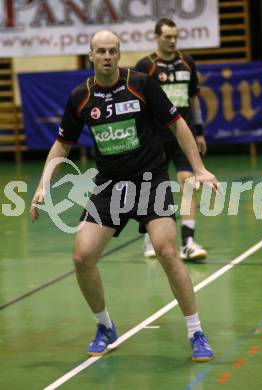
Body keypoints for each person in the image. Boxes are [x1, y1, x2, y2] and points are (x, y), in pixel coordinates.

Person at [30, 30, 217, 362]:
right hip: (109, 185)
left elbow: (178, 124)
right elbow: (62, 144)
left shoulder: (142, 84)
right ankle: (104, 326)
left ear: (119, 54)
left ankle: (195, 331)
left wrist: (198, 168)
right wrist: (44, 183)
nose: (106, 56)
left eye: (112, 51)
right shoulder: (80, 97)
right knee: (81, 256)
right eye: (100, 51)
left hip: (150, 180)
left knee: (167, 251)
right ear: (91, 55)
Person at [135, 18, 208, 261]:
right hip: (155, 137)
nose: (173, 40)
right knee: (153, 187)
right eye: (167, 36)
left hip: (182, 134)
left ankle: (188, 241)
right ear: (157, 37)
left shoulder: (188, 62)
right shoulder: (146, 66)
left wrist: (198, 132)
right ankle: (149, 238)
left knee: (188, 182)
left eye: (175, 36)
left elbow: (194, 99)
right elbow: (138, 105)